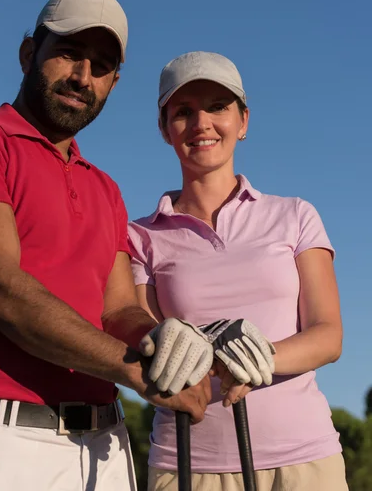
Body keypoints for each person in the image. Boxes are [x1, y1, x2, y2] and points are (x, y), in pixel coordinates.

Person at [0, 0, 214, 491]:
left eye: (101, 66)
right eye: (68, 53)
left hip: (105, 448)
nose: (83, 77)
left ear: (114, 83)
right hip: (2, 440)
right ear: (27, 54)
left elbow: (118, 309)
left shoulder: (105, 187)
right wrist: (140, 373)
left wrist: (165, 344)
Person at [128, 51, 348, 491]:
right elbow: (142, 347)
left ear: (243, 122)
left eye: (218, 107)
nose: (201, 123)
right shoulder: (138, 236)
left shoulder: (296, 215)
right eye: (183, 112)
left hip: (304, 461)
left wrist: (258, 357)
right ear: (164, 128)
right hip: (186, 464)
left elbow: (328, 335)